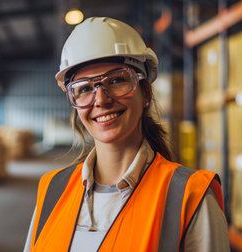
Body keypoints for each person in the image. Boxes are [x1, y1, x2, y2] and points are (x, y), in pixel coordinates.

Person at [24, 17, 230, 252]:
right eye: (84, 88)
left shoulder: (190, 197)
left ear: (146, 93)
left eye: (117, 80)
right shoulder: (52, 189)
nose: (101, 99)